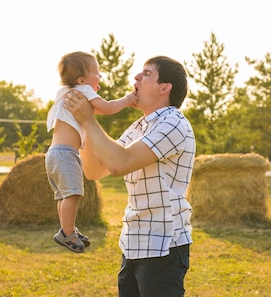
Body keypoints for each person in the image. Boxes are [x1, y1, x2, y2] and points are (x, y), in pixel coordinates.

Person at [64, 55, 195, 296]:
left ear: (165, 88)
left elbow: (119, 163)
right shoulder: (140, 126)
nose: (136, 77)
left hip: (163, 246)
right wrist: (85, 123)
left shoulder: (173, 123)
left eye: (146, 74)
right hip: (134, 243)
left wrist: (89, 120)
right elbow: (95, 170)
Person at [46, 51, 138, 254]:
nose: (101, 77)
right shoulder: (84, 91)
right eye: (97, 72)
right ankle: (67, 234)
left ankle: (67, 229)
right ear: (81, 80)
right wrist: (127, 99)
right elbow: (107, 107)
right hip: (66, 153)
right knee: (73, 194)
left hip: (53, 153)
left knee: (63, 195)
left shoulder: (64, 93)